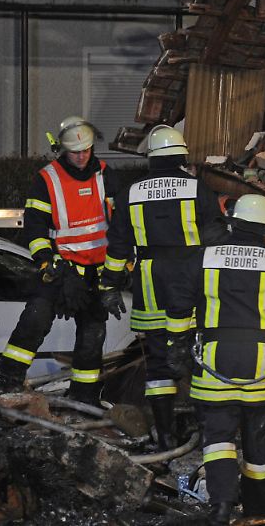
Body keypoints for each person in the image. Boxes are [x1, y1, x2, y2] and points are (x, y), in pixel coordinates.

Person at [165, 195, 265, 525]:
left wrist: (176, 344)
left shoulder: (203, 257)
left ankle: (221, 507)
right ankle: (259, 506)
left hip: (215, 365)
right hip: (262, 368)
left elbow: (178, 303)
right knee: (258, 440)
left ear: (234, 221)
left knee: (218, 439)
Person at [99, 125, 224, 450]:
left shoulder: (131, 192)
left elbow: (118, 246)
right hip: (193, 281)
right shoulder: (198, 189)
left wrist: (109, 285)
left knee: (157, 363)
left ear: (150, 158)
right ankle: (207, 434)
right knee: (198, 356)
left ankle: (165, 434)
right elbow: (216, 240)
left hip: (151, 282)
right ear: (181, 155)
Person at [0, 116, 118, 403]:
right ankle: (8, 381)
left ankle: (84, 396)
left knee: (92, 334)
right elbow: (35, 229)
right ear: (63, 150)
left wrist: (119, 272)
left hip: (97, 272)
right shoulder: (47, 179)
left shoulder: (106, 175)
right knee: (34, 319)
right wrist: (50, 264)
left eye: (86, 150)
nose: (82, 156)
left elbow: (120, 226)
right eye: (75, 151)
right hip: (61, 268)